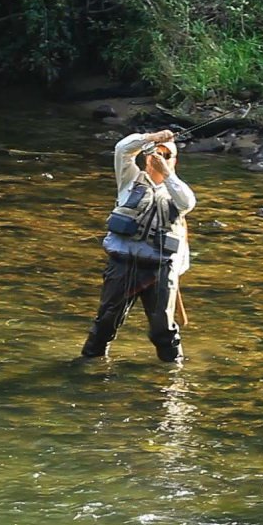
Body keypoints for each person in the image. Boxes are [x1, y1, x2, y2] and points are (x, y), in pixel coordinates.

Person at [81, 129, 196, 362]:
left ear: (175, 161)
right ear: (146, 157)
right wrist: (151, 138)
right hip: (123, 264)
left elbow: (187, 203)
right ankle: (90, 363)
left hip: (160, 269)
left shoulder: (178, 191)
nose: (160, 158)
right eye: (156, 153)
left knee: (163, 328)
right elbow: (122, 149)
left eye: (167, 155)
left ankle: (172, 370)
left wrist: (166, 173)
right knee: (106, 321)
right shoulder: (129, 180)